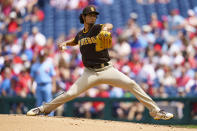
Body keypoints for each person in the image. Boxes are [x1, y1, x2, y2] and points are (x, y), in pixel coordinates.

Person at [27, 5, 173, 120]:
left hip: (107, 69)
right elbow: (75, 40)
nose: (93, 17)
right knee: (70, 93)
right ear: (83, 17)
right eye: (90, 15)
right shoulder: (80, 34)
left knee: (132, 84)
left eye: (94, 15)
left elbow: (109, 25)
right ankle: (42, 109)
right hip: (89, 73)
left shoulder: (98, 28)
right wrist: (65, 43)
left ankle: (156, 112)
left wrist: (104, 29)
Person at [30, 48, 56, 116]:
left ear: (45, 56)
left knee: (49, 103)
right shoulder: (35, 65)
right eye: (41, 56)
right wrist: (32, 86)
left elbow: (53, 76)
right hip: (38, 85)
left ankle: (50, 117)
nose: (42, 57)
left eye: (43, 55)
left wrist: (53, 85)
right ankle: (39, 118)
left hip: (47, 85)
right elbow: (32, 77)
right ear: (39, 56)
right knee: (39, 103)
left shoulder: (49, 64)